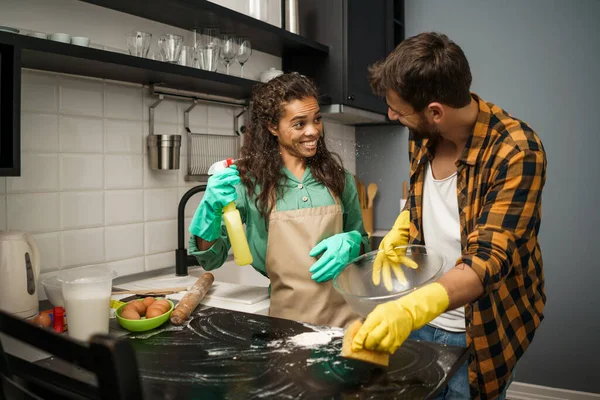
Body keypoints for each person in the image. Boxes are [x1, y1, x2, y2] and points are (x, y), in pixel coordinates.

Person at [351, 32, 546, 400]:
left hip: (481, 330)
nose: (392, 115)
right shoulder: (422, 135)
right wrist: (402, 223)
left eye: (398, 109)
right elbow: (427, 200)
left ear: (435, 112)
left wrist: (409, 309)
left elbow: (487, 261)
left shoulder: (517, 151)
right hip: (421, 323)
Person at [188, 72, 370, 328]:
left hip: (350, 322)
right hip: (288, 325)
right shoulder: (248, 185)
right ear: (273, 127)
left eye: (317, 119)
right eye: (299, 124)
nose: (313, 131)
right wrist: (211, 207)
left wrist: (353, 243)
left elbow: (363, 247)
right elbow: (210, 259)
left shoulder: (339, 179)